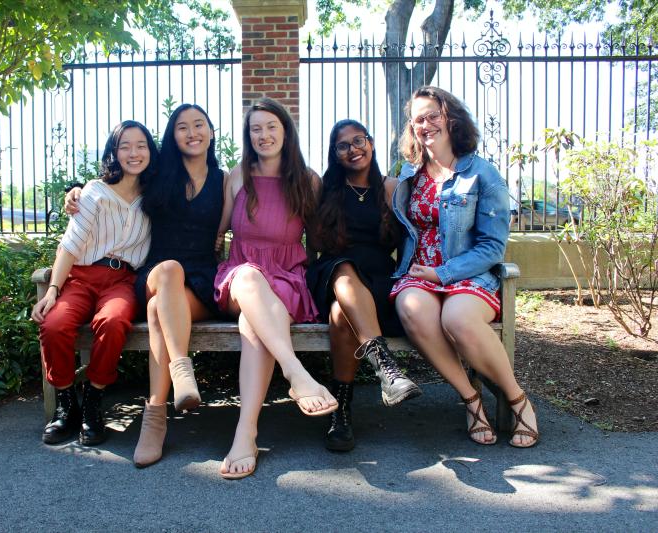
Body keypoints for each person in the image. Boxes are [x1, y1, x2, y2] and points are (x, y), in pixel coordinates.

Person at [65, 104, 229, 468]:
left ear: (211, 132)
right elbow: (111, 186)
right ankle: (182, 371)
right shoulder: (158, 176)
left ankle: (155, 417)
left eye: (199, 125)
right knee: (168, 272)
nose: (191, 132)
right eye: (182, 127)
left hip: (200, 281)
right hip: (155, 273)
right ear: (173, 137)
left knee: (159, 311)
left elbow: (258, 202)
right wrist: (75, 190)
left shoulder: (225, 180)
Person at [389, 86, 539, 448]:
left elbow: (492, 246)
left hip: (468, 274)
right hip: (418, 274)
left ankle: (516, 399)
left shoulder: (481, 174)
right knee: (412, 310)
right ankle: (471, 399)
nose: (425, 125)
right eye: (418, 119)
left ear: (450, 118)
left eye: (432, 116)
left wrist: (444, 272)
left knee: (457, 320)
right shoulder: (409, 174)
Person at [214, 98, 338, 480]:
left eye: (271, 127)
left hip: (286, 278)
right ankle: (296, 373)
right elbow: (219, 233)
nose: (264, 135)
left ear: (285, 131)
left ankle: (245, 433)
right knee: (250, 279)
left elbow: (318, 242)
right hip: (239, 274)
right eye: (256, 129)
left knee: (256, 326)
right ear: (249, 136)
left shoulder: (308, 179)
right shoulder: (237, 176)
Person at [32, 120, 156, 447]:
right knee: (55, 324)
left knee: (113, 322)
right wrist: (54, 290)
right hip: (82, 277)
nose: (134, 152)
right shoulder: (93, 192)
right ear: (113, 153)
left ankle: (92, 400)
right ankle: (66, 402)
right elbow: (70, 245)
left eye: (141, 145)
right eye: (125, 146)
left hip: (123, 280)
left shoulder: (154, 197)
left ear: (150, 151)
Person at [307, 119, 421, 452]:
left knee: (341, 316)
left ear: (370, 143)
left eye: (359, 141)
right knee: (343, 268)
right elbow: (314, 241)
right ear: (335, 154)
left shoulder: (391, 188)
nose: (353, 149)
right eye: (344, 145)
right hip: (331, 271)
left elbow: (407, 241)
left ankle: (340, 412)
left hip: (378, 280)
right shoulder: (326, 189)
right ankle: (384, 365)